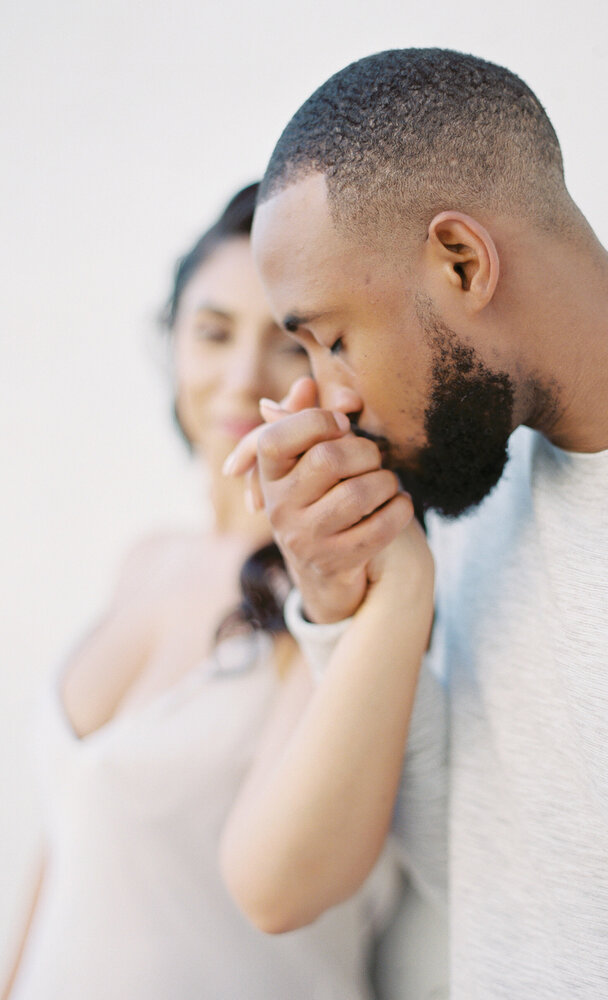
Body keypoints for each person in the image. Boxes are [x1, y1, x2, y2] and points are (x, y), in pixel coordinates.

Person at [224, 48, 608, 999]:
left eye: (331, 338)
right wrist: (362, 593)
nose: (326, 399)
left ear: (462, 261)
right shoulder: (481, 476)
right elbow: (486, 879)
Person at [3, 182, 446, 1000]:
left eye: (285, 342)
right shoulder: (145, 560)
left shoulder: (342, 588)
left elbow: (286, 884)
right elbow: (66, 848)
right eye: (212, 333)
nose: (242, 378)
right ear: (171, 343)